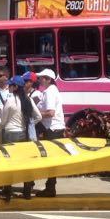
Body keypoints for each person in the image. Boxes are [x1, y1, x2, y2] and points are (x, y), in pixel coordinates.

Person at [33, 69, 63, 198]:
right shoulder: (48, 91)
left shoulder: (50, 92)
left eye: (42, 78)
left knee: (51, 160)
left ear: (48, 80)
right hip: (51, 128)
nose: (39, 80)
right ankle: (50, 187)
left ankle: (50, 188)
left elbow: (50, 113)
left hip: (52, 129)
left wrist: (37, 115)